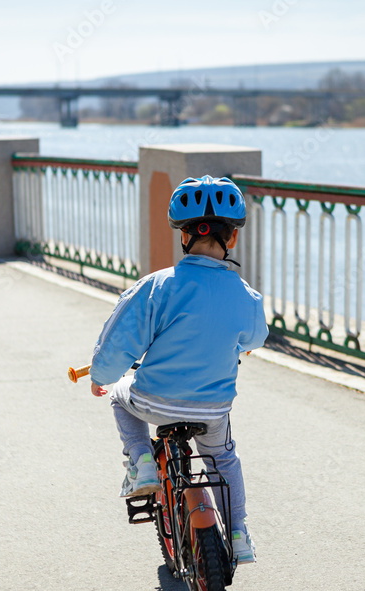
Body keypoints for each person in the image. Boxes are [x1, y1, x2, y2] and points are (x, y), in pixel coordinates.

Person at [88, 175, 268, 564]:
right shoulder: (247, 296)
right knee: (223, 460)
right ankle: (238, 534)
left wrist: (100, 378)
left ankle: (142, 462)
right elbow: (255, 339)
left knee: (120, 396)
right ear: (232, 239)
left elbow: (119, 342)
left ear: (183, 237)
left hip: (153, 402)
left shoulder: (155, 287)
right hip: (212, 409)